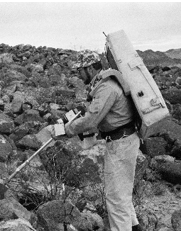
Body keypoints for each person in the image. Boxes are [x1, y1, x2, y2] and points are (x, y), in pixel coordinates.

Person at [54, 52, 142, 231]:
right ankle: (136, 227)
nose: (79, 75)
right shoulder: (102, 85)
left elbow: (91, 120)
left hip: (121, 143)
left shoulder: (106, 87)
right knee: (121, 193)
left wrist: (67, 129)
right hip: (121, 142)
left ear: (90, 68)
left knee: (116, 198)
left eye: (80, 70)